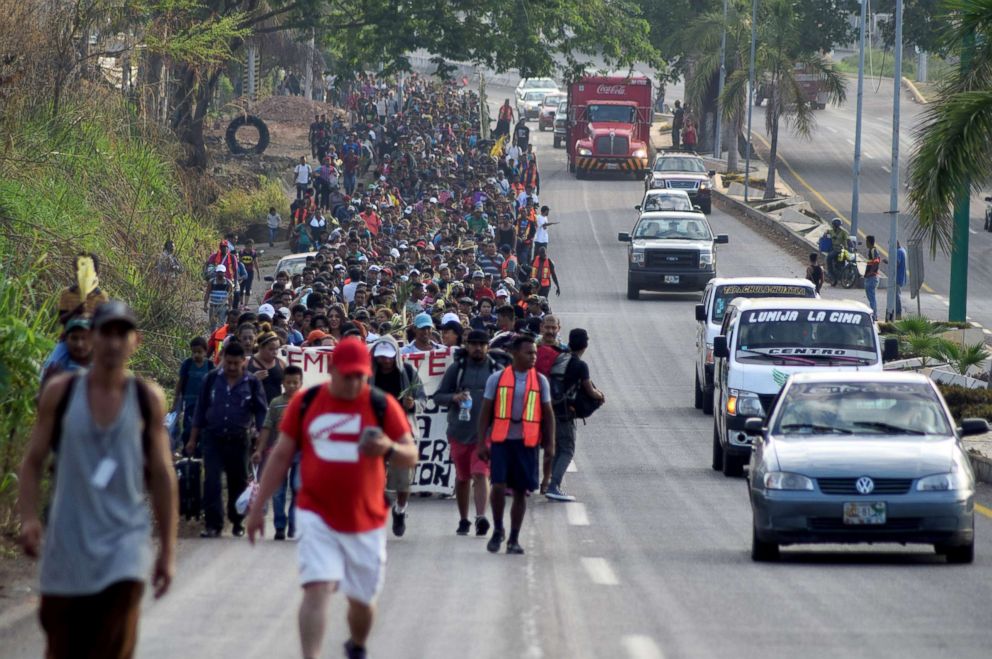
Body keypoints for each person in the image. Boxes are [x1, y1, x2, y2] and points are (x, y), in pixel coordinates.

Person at [18, 301, 177, 659]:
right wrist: (28, 518)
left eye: (123, 334)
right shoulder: (61, 393)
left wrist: (167, 550)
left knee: (112, 645)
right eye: (107, 332)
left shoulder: (146, 399)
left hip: (125, 545)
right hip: (67, 543)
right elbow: (32, 462)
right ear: (92, 338)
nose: (114, 342)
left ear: (135, 341)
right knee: (62, 645)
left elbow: (163, 477)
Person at [245, 337, 417, 659]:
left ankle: (357, 645)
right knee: (316, 589)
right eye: (347, 375)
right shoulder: (306, 403)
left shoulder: (381, 405)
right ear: (331, 370)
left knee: (361, 602)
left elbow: (411, 454)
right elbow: (281, 456)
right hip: (317, 513)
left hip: (365, 520)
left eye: (360, 376)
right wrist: (257, 509)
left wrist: (389, 448)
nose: (354, 383)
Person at [477, 334, 555, 555]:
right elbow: (485, 412)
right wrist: (481, 442)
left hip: (527, 442)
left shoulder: (540, 381)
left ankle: (513, 538)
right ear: (515, 353)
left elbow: (548, 415)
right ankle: (498, 528)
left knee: (520, 491)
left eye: (535, 353)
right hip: (502, 441)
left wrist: (550, 444)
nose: (533, 357)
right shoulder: (497, 378)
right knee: (499, 486)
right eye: (528, 352)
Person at [185, 341, 268, 538]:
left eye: (235, 364)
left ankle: (237, 521)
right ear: (222, 360)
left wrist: (259, 443)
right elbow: (200, 410)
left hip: (239, 440)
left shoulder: (252, 383)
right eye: (228, 363)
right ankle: (213, 524)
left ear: (243, 362)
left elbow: (261, 414)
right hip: (213, 438)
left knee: (237, 482)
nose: (231, 368)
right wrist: (192, 439)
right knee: (211, 481)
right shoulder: (211, 379)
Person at [434, 330, 499, 536]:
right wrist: (454, 397)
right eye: (474, 344)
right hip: (459, 433)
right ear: (467, 345)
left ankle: (480, 517)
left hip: (486, 434)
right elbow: (438, 397)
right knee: (463, 478)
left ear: (488, 346)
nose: (478, 348)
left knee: (481, 474)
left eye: (482, 344)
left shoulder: (497, 370)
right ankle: (464, 520)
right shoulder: (457, 369)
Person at [368, 336, 424, 537]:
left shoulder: (408, 372)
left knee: (403, 480)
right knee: (372, 477)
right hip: (374, 431)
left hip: (401, 432)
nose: (386, 361)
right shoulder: (368, 374)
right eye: (381, 357)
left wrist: (413, 405)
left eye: (389, 357)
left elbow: (422, 398)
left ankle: (400, 509)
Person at [546, 329, 604, 502]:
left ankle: (552, 483)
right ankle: (554, 486)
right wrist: (600, 395)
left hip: (551, 408)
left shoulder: (560, 357)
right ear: (585, 345)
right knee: (568, 449)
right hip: (566, 412)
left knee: (559, 447)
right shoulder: (580, 365)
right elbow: (589, 390)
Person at [252, 364, 304, 540]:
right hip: (279, 452)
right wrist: (259, 450)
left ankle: (295, 525)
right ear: (283, 383)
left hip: (300, 454)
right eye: (288, 382)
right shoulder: (275, 403)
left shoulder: (306, 402)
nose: (291, 386)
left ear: (301, 383)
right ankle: (280, 526)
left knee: (298, 488)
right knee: (278, 492)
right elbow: (267, 427)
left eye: (295, 383)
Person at [172, 336, 212, 453]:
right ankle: (187, 452)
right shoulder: (187, 364)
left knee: (203, 430)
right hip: (190, 403)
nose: (196, 355)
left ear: (205, 351)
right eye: (194, 352)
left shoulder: (209, 366)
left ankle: (200, 455)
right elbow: (181, 382)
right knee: (188, 429)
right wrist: (175, 402)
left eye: (199, 352)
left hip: (205, 404)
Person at [40, 317, 93, 387]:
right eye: (74, 338)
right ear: (66, 340)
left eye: (84, 338)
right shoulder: (58, 360)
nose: (79, 344)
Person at [204, 265, 234, 330]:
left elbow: (230, 296)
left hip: (223, 306)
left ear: (224, 273)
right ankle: (213, 338)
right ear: (216, 273)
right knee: (212, 325)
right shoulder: (211, 282)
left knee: (222, 325)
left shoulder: (228, 283)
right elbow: (207, 294)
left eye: (221, 272)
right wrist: (205, 305)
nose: (220, 274)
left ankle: (221, 339)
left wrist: (230, 307)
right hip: (213, 306)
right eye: (219, 272)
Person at [864, 235, 884, 320]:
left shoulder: (873, 250)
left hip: (872, 278)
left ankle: (874, 316)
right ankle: (874, 315)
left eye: (866, 241)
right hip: (871, 277)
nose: (866, 243)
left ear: (869, 242)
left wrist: (870, 273)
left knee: (872, 298)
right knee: (871, 298)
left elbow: (876, 262)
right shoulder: (873, 250)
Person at [826, 218, 849, 285]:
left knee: (829, 258)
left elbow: (847, 241)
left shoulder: (844, 232)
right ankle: (831, 274)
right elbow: (826, 233)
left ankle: (835, 274)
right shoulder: (831, 231)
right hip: (833, 249)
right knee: (829, 258)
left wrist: (849, 247)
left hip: (841, 250)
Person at [239, 239, 258, 304]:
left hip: (250, 272)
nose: (250, 247)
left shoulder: (253, 253)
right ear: (245, 246)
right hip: (242, 272)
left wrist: (258, 273)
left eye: (251, 246)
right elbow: (239, 263)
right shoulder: (241, 253)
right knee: (241, 288)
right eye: (249, 246)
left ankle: (246, 304)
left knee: (248, 288)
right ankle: (241, 302)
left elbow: (256, 263)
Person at [895, 241, 908, 320]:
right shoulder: (903, 250)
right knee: (897, 295)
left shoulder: (898, 252)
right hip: (901, 277)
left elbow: (896, 263)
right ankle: (897, 313)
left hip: (898, 277)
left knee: (897, 296)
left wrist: (888, 262)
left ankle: (898, 314)